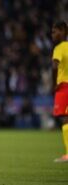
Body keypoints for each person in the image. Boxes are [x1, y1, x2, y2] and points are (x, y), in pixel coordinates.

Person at [51, 21, 68, 162]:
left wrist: (53, 84)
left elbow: (54, 67)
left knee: (65, 119)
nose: (53, 35)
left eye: (55, 31)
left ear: (63, 31)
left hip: (64, 86)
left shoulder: (59, 48)